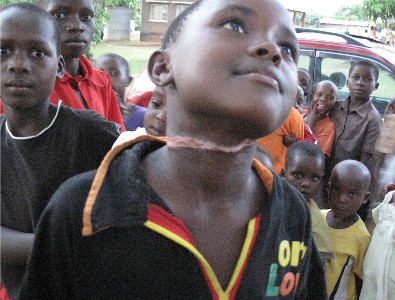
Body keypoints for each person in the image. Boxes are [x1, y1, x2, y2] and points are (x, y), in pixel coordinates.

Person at [19, 0, 327, 299]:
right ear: (163, 67)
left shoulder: (290, 213)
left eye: (288, 48)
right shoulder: (81, 212)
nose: (272, 50)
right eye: (235, 25)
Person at [0, 4, 120, 299]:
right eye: (3, 51)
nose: (18, 64)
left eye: (38, 53)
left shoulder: (92, 133)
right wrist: (62, 241)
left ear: (59, 67)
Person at [35, 0, 125, 129]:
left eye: (86, 17)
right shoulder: (26, 84)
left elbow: (119, 142)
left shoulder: (102, 81)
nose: (77, 26)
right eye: (60, 15)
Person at [329, 59, 382, 221]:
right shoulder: (335, 107)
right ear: (347, 82)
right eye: (356, 77)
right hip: (327, 178)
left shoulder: (372, 119)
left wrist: (355, 194)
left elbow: (366, 161)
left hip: (347, 185)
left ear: (376, 86)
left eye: (367, 79)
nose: (360, 83)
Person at [322, 160, 372, 300]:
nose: (342, 199)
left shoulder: (361, 237)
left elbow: (363, 277)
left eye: (352, 194)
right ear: (328, 188)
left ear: (365, 198)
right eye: (336, 190)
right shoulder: (317, 219)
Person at [281, 142, 334, 264]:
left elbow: (319, 262)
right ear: (284, 175)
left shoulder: (314, 218)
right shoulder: (272, 202)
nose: (306, 183)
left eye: (314, 178)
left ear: (321, 180)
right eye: (298, 175)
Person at [96, 53, 147, 131]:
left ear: (128, 80)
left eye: (114, 73)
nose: (106, 78)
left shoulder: (143, 117)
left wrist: (120, 121)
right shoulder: (88, 113)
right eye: (100, 73)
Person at [304, 80, 338, 158]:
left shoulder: (329, 126)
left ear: (335, 103)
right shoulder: (301, 115)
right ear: (311, 96)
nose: (323, 99)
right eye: (319, 94)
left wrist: (311, 122)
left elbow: (313, 155)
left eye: (330, 97)